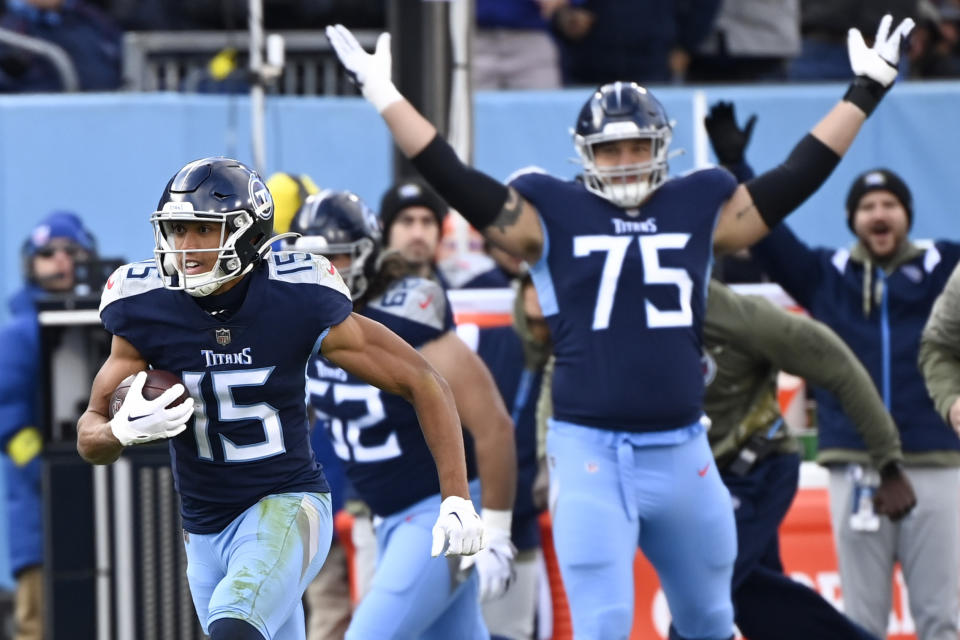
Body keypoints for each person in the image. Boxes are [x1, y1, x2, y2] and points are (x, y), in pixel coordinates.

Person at [326, 12, 913, 640]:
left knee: (712, 618)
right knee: (602, 622)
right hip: (589, 455)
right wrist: (386, 97)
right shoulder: (550, 213)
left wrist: (865, 92)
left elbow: (791, 181)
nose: (628, 162)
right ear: (588, 155)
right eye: (613, 149)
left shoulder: (697, 206)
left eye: (639, 146)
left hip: (684, 449)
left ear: (662, 146)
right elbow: (458, 180)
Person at [74, 157, 486, 640]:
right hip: (202, 531)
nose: (185, 248)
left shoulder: (296, 297)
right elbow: (89, 437)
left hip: (286, 505)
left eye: (203, 230)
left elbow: (423, 380)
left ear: (248, 234)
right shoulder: (144, 305)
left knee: (236, 630)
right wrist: (119, 431)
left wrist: (457, 497)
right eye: (177, 229)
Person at [743, 157, 960, 639]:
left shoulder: (946, 267)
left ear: (908, 213)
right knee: (861, 621)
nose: (878, 214)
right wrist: (740, 167)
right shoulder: (825, 274)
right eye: (867, 206)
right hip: (857, 467)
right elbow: (767, 239)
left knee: (942, 617)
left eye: (889, 204)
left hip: (936, 461)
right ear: (850, 218)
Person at [290, 189, 517, 639]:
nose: (327, 271)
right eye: (315, 259)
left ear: (369, 256)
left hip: (437, 511)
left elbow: (493, 426)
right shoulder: (298, 320)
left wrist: (496, 529)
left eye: (339, 257)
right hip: (386, 517)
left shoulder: (406, 312)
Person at [701, 280, 914, 640]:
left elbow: (837, 364)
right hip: (699, 478)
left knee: (706, 591)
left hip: (755, 470)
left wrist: (889, 462)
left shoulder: (740, 317)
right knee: (758, 604)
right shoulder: (620, 317)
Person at [0, 211, 96, 640]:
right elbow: (9, 429)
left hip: (103, 515)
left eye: (71, 251)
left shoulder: (108, 328)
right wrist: (51, 475)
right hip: (41, 525)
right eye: (47, 253)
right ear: (30, 264)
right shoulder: (19, 336)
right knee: (39, 627)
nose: (60, 260)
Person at [0, 0, 122, 92]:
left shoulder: (91, 17)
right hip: (37, 120)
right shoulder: (8, 28)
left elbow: (126, 64)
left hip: (109, 116)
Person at [378, 178, 449, 287]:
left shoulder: (461, 293)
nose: (418, 234)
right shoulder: (358, 298)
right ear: (386, 230)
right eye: (407, 221)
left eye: (427, 221)